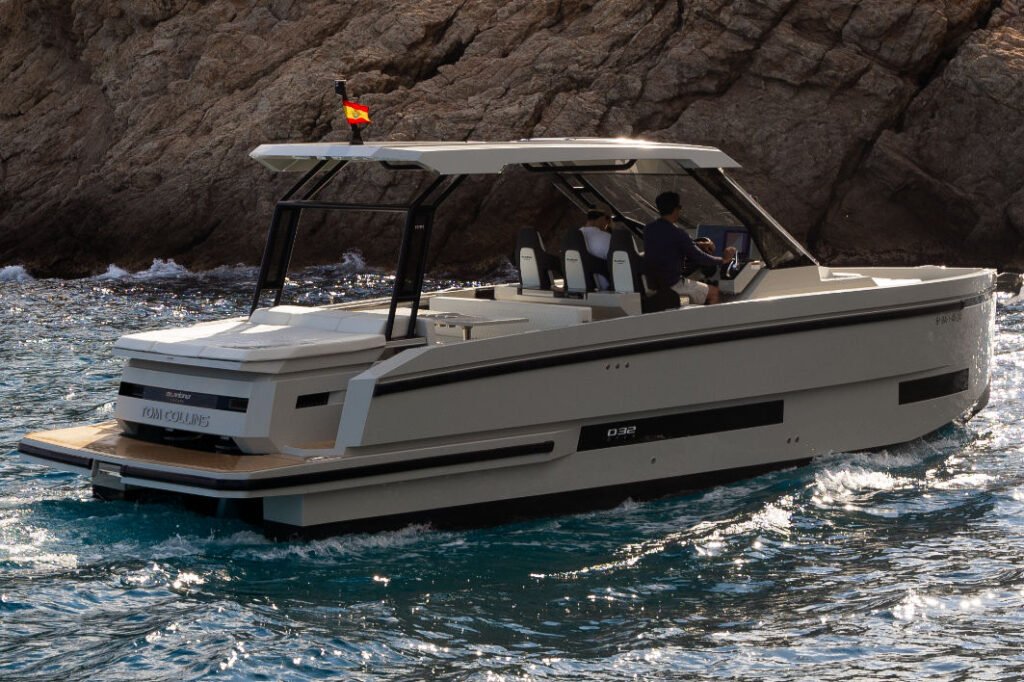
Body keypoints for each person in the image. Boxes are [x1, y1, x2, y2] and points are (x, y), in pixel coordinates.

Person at [643, 191, 736, 305]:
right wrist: (723, 260)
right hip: (673, 285)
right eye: (679, 208)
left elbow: (667, 243)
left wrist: (698, 244)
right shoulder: (678, 233)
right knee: (714, 292)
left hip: (653, 284)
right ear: (676, 209)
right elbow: (700, 257)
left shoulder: (649, 229)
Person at [579, 209, 613, 290]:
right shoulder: (607, 237)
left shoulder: (573, 237)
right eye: (608, 220)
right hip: (604, 289)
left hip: (580, 287)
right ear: (602, 218)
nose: (608, 224)